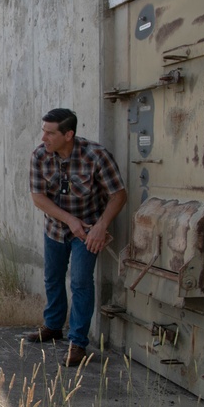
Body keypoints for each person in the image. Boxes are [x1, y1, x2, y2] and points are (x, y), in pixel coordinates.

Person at [28, 108, 127, 367]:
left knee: (81, 283)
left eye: (50, 133)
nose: (43, 138)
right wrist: (69, 220)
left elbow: (118, 195)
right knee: (52, 277)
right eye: (43, 130)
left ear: (68, 134)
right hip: (56, 229)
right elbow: (38, 198)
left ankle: (77, 343)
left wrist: (101, 225)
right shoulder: (40, 156)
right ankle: (52, 326)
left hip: (87, 232)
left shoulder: (96, 156)